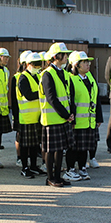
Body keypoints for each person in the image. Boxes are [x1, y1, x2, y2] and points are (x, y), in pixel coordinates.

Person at [40, 42, 76, 187]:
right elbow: (51, 98)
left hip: (63, 118)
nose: (66, 57)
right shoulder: (47, 74)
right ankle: (50, 177)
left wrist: (71, 113)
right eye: (64, 54)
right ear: (56, 56)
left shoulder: (65, 73)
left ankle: (57, 176)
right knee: (51, 150)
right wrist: (66, 114)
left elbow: (69, 95)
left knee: (60, 149)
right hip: (52, 118)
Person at [67, 51, 101, 181]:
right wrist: (72, 118)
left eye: (88, 62)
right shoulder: (71, 78)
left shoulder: (90, 77)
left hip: (89, 120)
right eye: (85, 62)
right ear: (76, 65)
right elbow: (70, 100)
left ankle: (82, 167)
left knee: (84, 147)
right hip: (77, 121)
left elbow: (95, 98)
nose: (88, 65)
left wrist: (98, 117)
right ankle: (70, 169)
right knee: (73, 147)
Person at [17, 52, 45, 178]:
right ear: (28, 64)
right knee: (25, 145)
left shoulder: (37, 76)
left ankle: (33, 166)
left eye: (40, 64)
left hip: (37, 117)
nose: (38, 67)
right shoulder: (22, 78)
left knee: (34, 144)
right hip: (26, 118)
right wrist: (42, 94)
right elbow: (28, 95)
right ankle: (25, 167)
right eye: (35, 64)